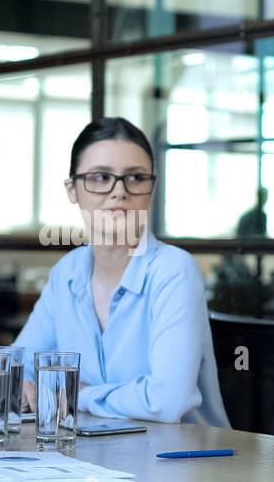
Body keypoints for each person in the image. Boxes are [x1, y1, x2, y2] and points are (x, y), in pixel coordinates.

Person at [12, 116, 228, 426]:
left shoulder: (173, 270)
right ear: (72, 190)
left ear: (151, 189)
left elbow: (168, 401)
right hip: (93, 458)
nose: (119, 191)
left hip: (182, 461)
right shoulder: (67, 273)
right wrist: (24, 385)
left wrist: (74, 394)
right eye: (100, 177)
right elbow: (14, 368)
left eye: (136, 177)